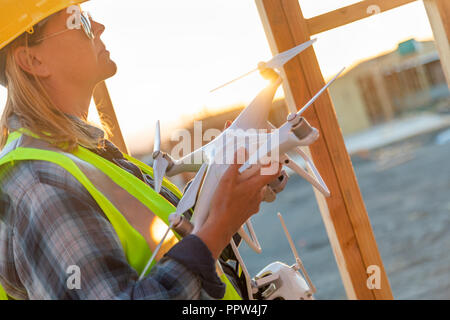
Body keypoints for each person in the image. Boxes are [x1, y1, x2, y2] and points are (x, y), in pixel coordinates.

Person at [0, 1, 281, 300]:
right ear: (32, 60)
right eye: (78, 20)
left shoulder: (86, 154)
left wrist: (228, 190)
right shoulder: (38, 181)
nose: (98, 27)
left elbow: (170, 244)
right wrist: (215, 232)